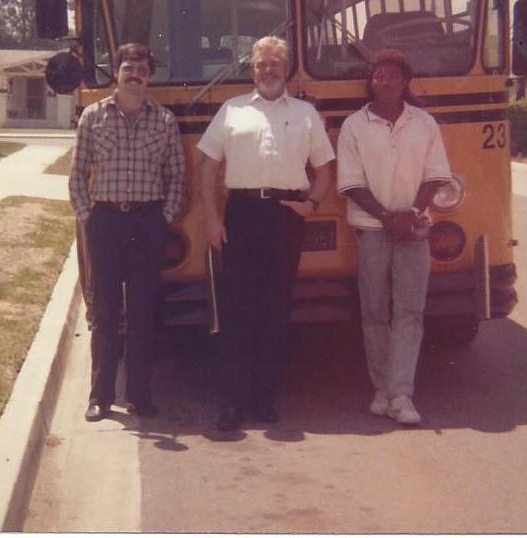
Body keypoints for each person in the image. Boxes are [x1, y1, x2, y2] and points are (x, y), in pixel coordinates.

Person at [198, 35, 335, 432]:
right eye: (261, 64)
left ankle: (263, 400)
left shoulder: (306, 114)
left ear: (287, 68)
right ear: (252, 69)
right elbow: (207, 166)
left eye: (275, 63)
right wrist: (211, 218)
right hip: (240, 214)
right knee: (236, 313)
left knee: (275, 313)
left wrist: (310, 203)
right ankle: (231, 404)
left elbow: (325, 169)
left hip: (285, 216)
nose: (268, 71)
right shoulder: (232, 110)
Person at [68, 43, 186, 422]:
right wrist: (88, 217)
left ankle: (139, 395)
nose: (135, 76)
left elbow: (177, 175)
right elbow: (76, 175)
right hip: (105, 221)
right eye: (128, 69)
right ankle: (100, 397)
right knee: (104, 313)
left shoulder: (164, 121)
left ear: (150, 77)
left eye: (142, 71)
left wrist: (163, 218)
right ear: (116, 73)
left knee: (142, 314)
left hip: (146, 223)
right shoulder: (92, 117)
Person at [336, 48, 451, 425]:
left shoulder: (424, 123)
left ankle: (401, 393)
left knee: (410, 311)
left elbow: (436, 175)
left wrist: (413, 214)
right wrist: (387, 217)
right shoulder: (354, 125)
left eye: (391, 75)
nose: (383, 81)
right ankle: (381, 388)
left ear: (405, 83)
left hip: (414, 228)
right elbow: (351, 183)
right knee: (374, 309)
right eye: (377, 75)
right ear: (370, 82)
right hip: (372, 230)